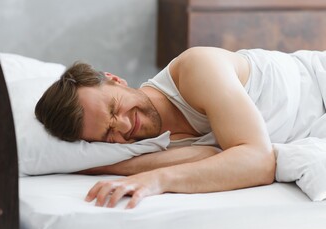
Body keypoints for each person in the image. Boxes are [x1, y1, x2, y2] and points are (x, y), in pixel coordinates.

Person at [35, 47, 326, 209]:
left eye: (114, 108)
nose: (125, 126)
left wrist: (156, 181)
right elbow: (214, 158)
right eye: (108, 134)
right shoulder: (150, 142)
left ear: (115, 80)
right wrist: (94, 166)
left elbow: (259, 161)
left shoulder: (196, 68)